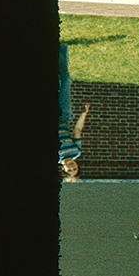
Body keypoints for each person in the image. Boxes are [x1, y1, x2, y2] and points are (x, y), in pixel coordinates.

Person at [59, 42, 90, 179]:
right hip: (63, 116)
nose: (72, 167)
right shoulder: (76, 152)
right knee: (66, 81)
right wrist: (84, 114)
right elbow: (77, 130)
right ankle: (62, 48)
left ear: (63, 169)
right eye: (75, 168)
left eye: (69, 170)